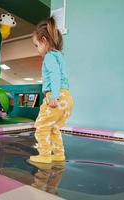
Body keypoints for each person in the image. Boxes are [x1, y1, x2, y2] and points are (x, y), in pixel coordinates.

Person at [30, 17, 73, 164]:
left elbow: (55, 75)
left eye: (36, 45)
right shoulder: (59, 56)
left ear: (44, 40)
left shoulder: (49, 57)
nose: (37, 50)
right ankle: (59, 154)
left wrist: (53, 96)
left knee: (41, 126)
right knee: (54, 128)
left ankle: (45, 155)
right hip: (66, 97)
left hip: (56, 95)